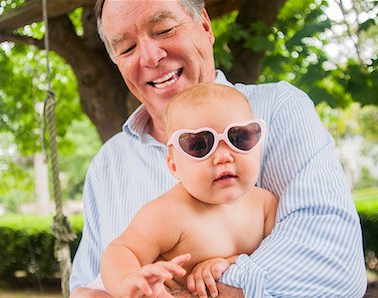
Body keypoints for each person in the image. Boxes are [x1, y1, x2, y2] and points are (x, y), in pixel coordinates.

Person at [70, 0, 367, 297]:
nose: (149, 56)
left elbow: (332, 263)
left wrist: (224, 272)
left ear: (205, 26)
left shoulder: (278, 110)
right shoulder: (107, 165)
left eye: (164, 29)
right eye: (127, 48)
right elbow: (87, 285)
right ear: (172, 163)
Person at [99, 83, 278, 298]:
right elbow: (120, 251)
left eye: (239, 138)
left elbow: (280, 258)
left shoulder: (266, 205)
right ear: (174, 166)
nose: (223, 157)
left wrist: (233, 264)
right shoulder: (169, 213)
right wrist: (128, 281)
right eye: (199, 145)